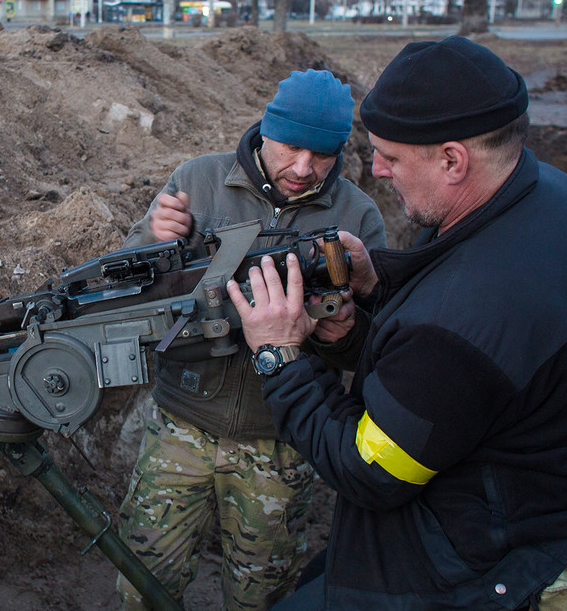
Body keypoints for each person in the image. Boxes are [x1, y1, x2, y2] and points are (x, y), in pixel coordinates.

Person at [227, 36, 567, 610]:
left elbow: (368, 472)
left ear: (453, 159)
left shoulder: (465, 321)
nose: (376, 171)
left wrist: (279, 356)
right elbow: (457, 307)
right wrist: (377, 279)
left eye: (391, 156)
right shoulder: (554, 197)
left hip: (499, 556)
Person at [116, 69, 387, 610]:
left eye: (323, 155)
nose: (303, 168)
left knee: (264, 594)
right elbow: (128, 291)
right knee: (143, 581)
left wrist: (341, 335)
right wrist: (150, 237)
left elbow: (377, 349)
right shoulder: (200, 180)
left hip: (282, 443)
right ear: (265, 128)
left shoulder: (358, 217)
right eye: (290, 147)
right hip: (180, 426)